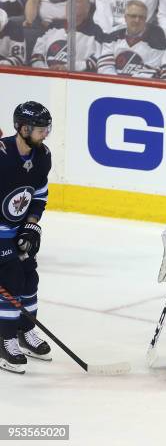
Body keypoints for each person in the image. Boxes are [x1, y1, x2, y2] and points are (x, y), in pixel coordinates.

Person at [0, 101, 53, 374]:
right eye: (41, 129)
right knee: (11, 279)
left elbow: (39, 195)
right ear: (23, 128)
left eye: (47, 128)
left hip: (19, 229)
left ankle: (24, 330)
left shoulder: (42, 156)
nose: (45, 134)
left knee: (29, 277)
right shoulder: (1, 154)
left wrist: (32, 226)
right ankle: (5, 339)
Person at [30, 0, 104, 71]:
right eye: (69, 0)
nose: (71, 4)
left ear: (87, 8)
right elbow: (37, 54)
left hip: (76, 80)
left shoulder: (96, 31)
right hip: (45, 78)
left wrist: (68, 68)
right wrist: (44, 70)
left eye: (77, 1)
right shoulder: (54, 26)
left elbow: (97, 60)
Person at [97, 0, 166, 77]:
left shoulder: (156, 41)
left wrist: (127, 85)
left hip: (139, 87)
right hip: (112, 84)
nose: (137, 20)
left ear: (145, 20)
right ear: (125, 17)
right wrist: (116, 82)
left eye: (141, 17)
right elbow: (105, 66)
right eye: (133, 16)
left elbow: (150, 72)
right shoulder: (112, 37)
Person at [93, 0, 158, 35]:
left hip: (134, 36)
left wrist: (113, 35)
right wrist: (106, 35)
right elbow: (102, 14)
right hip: (101, 32)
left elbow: (139, 17)